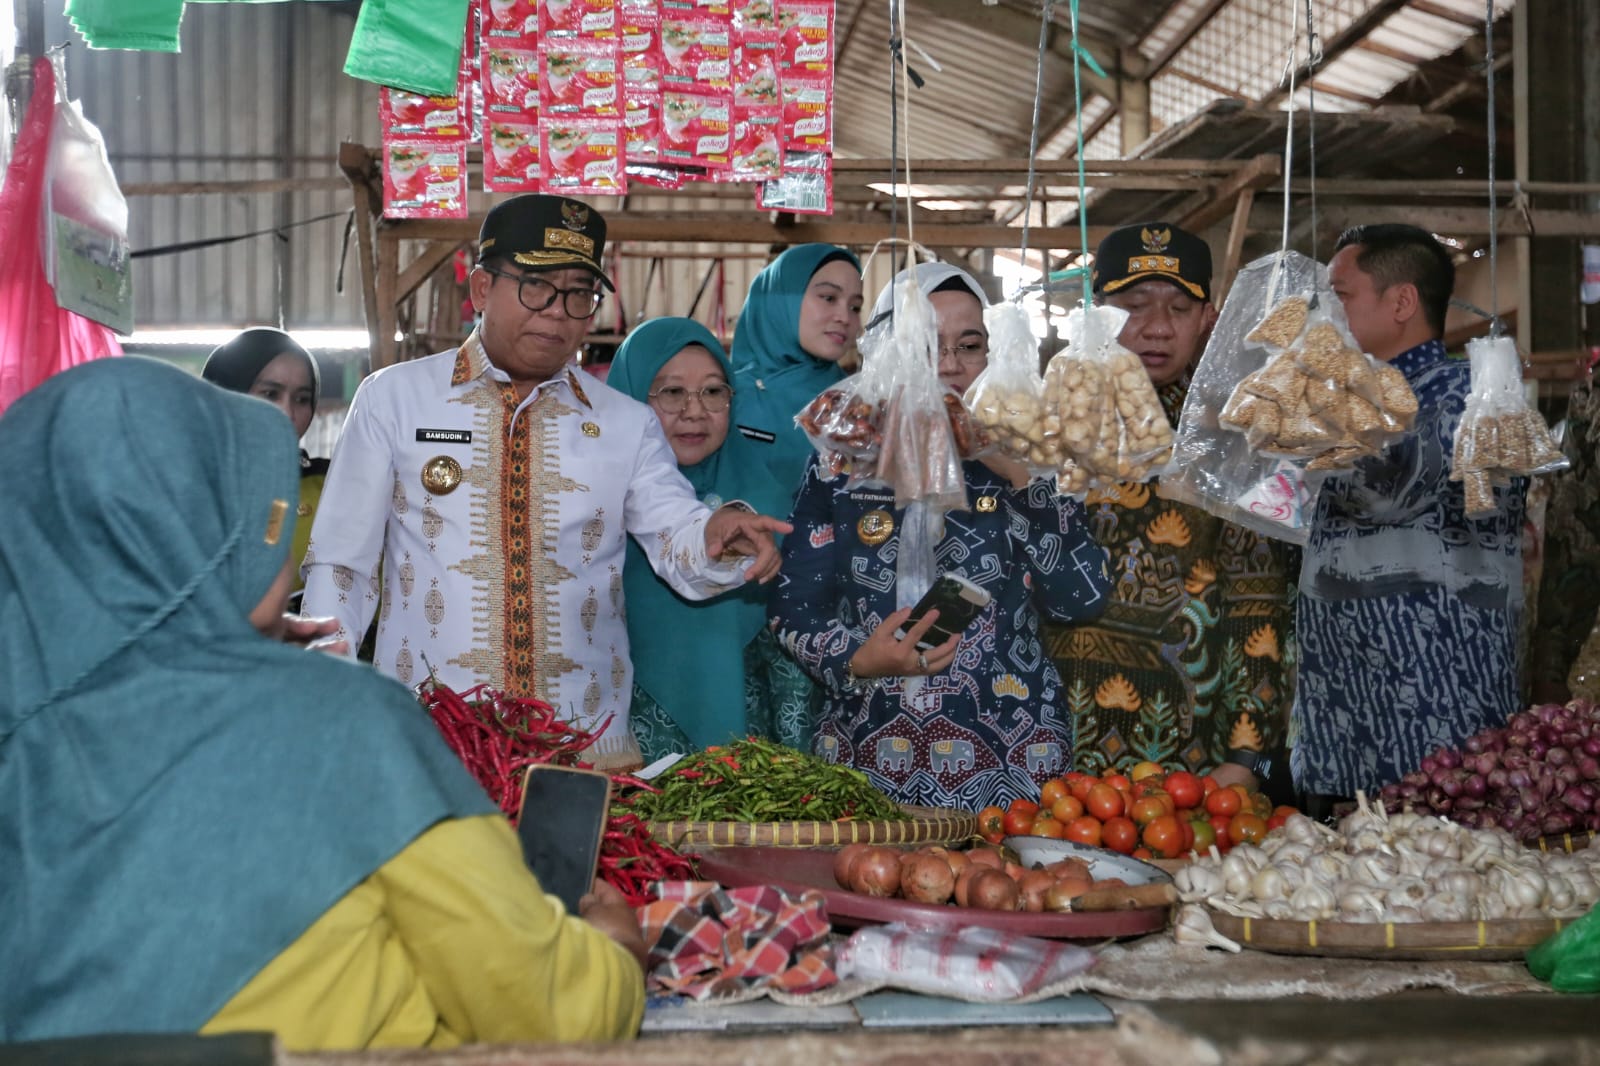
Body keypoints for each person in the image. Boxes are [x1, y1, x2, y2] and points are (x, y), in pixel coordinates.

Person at [0, 358, 645, 1050]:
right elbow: (546, 1009)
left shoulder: (27, 734)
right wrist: (616, 958)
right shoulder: (340, 725)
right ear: (205, 528)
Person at [302, 195, 790, 770]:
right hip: (430, 745)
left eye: (579, 293)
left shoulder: (625, 422)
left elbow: (674, 532)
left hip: (585, 750)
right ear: (482, 289)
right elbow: (343, 561)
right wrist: (324, 675)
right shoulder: (394, 399)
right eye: (537, 286)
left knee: (585, 865)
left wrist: (711, 535)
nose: (558, 311)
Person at [770, 262, 1112, 809]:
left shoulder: (1033, 456)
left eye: (970, 345)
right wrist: (860, 659)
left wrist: (1018, 475)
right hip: (866, 763)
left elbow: (1082, 600)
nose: (950, 367)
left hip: (1013, 772)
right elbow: (794, 609)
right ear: (885, 354)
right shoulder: (841, 467)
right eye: (926, 347)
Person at [1039, 223, 1297, 794]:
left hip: (1185, 755)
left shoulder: (1231, 439)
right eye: (1134, 306)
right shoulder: (1041, 426)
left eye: (1179, 308)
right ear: (1096, 310)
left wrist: (1246, 757)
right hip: (1043, 743)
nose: (1157, 328)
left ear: (1209, 318)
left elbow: (1258, 602)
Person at [1291, 223, 1527, 809]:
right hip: (1345, 702)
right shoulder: (1349, 396)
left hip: (1436, 704)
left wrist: (1298, 435)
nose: (1328, 314)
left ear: (1401, 302)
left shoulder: (1471, 396)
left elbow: (1385, 492)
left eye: (1341, 296)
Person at [608, 317, 815, 757]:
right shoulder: (592, 504)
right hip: (616, 741)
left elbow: (790, 662)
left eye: (714, 391)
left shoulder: (767, 503)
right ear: (628, 399)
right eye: (671, 392)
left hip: (744, 756)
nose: (695, 411)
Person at [202, 327, 329, 596]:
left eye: (302, 399)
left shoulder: (331, 486)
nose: (288, 412)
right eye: (270, 394)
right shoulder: (187, 487)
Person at [729, 243, 864, 495]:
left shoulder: (856, 405)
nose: (845, 317)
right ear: (780, 302)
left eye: (855, 306)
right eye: (829, 298)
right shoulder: (722, 398)